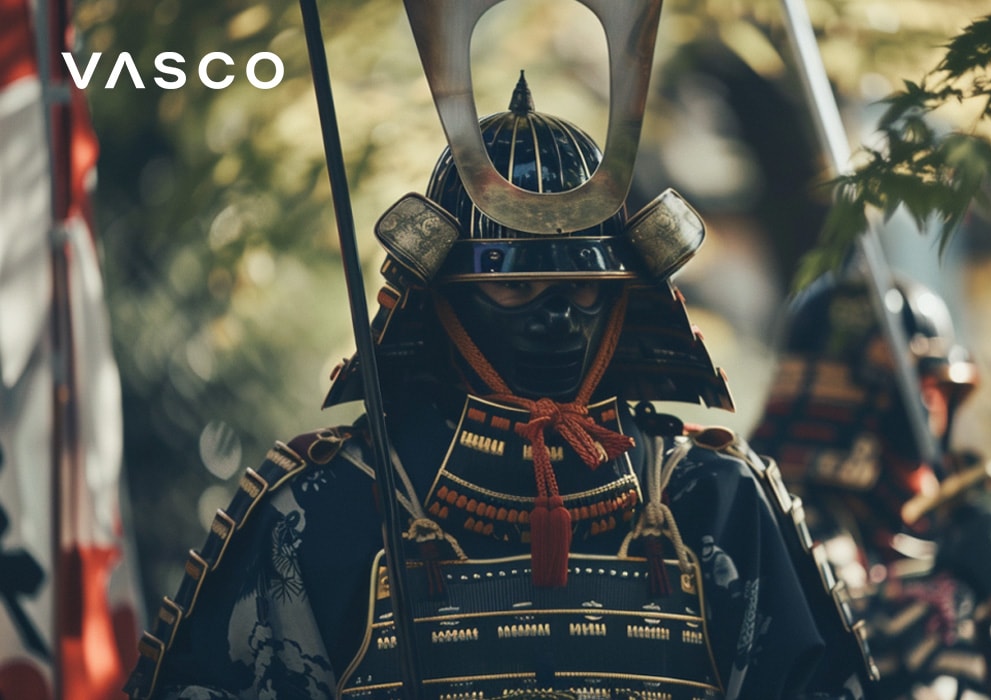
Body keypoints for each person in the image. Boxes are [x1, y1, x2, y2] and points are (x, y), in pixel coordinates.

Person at [123, 77, 858, 700]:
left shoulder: (716, 499)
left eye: (582, 290)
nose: (558, 319)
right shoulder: (324, 507)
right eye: (518, 287)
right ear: (441, 299)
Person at [751, 272, 991, 700]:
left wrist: (983, 589)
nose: (932, 422)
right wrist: (954, 589)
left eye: (941, 398)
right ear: (848, 397)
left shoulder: (918, 534)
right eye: (921, 397)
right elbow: (839, 636)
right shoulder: (780, 517)